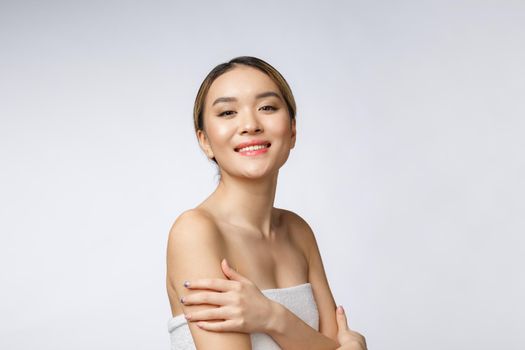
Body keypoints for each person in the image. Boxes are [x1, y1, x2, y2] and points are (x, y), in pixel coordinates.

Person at [166, 56, 367, 350]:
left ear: (293, 131)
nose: (249, 124)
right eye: (228, 112)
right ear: (205, 141)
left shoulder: (298, 231)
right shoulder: (195, 232)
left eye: (267, 108)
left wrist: (272, 317)